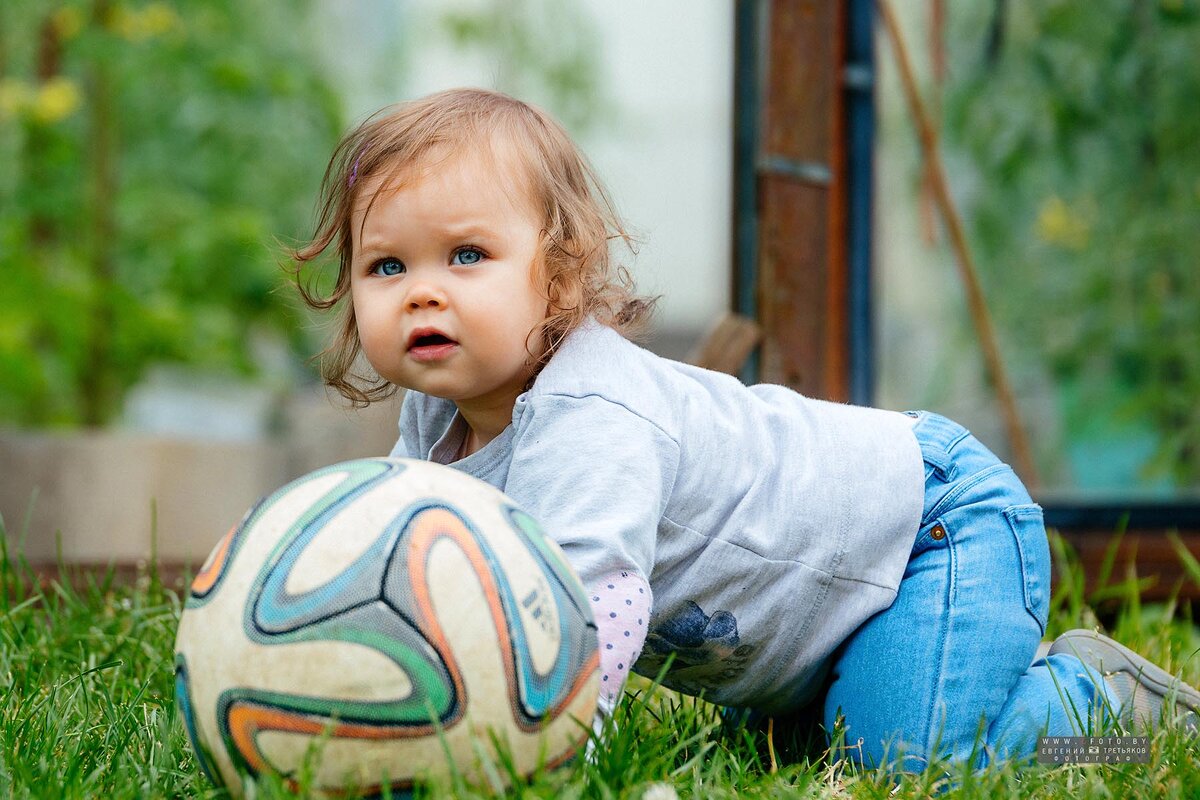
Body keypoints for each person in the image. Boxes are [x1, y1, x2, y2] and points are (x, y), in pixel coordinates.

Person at [292, 87, 1200, 772]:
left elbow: (592, 614)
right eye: (385, 264)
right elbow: (409, 575)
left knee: (909, 765)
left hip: (932, 527)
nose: (422, 289)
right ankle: (854, 697)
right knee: (802, 760)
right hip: (812, 623)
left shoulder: (589, 420)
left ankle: (1098, 708)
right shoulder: (434, 417)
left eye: (466, 255)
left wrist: (532, 765)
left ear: (561, 277)